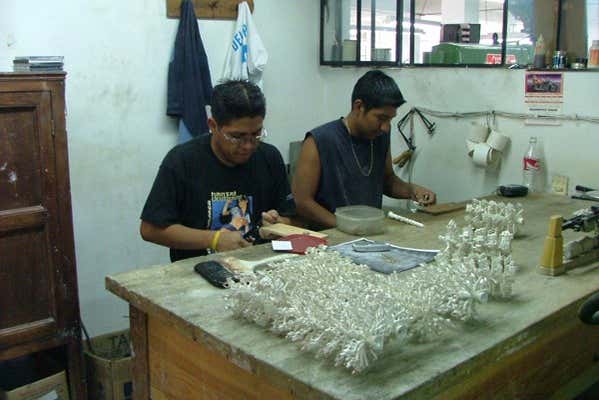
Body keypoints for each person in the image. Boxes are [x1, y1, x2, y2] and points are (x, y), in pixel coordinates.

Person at [140, 80, 295, 262]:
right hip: (198, 274)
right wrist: (214, 239)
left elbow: (292, 218)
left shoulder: (269, 158)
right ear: (213, 125)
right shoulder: (183, 162)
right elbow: (150, 229)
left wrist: (278, 224)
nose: (248, 146)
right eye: (237, 137)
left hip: (259, 267)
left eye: (256, 135)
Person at [292, 70, 436, 229]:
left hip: (367, 236)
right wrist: (345, 226)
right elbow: (302, 202)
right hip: (329, 239)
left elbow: (387, 181)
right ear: (359, 106)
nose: (386, 127)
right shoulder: (319, 141)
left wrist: (412, 190)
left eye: (390, 119)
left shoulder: (380, 136)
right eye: (381, 118)